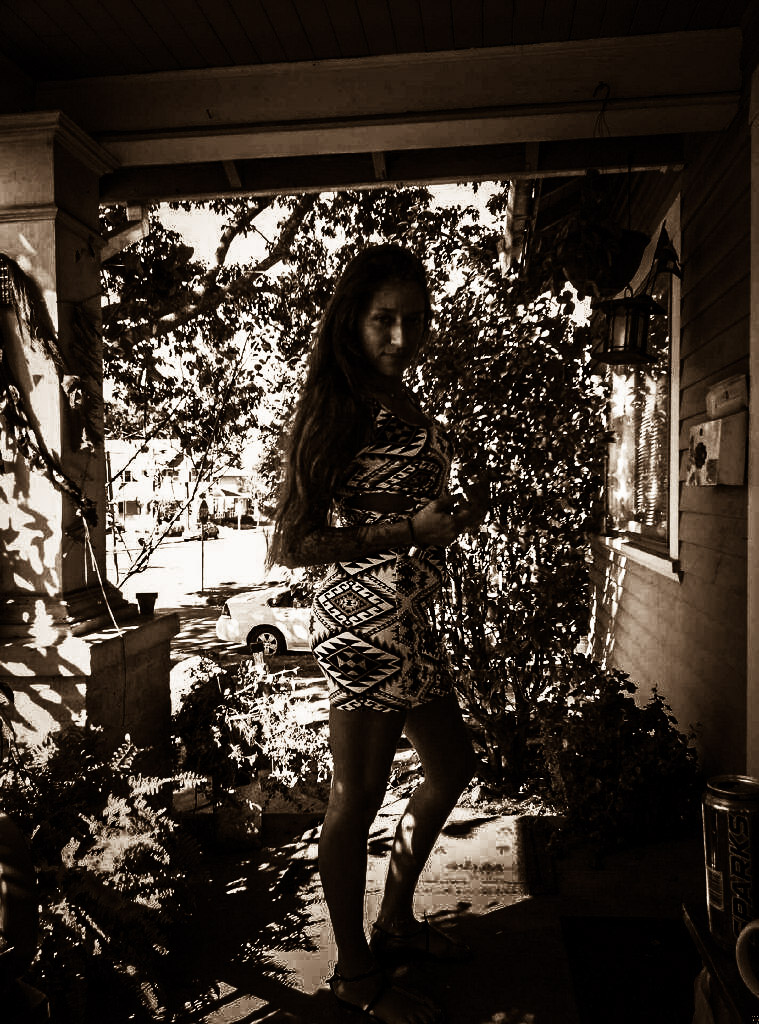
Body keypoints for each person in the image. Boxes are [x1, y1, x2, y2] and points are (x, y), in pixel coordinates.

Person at [268, 244, 482, 1024]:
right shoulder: (336, 403)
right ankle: (354, 974)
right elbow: (291, 543)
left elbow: (401, 504)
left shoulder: (397, 397)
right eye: (383, 319)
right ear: (351, 320)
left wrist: (443, 520)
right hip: (361, 622)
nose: (400, 336)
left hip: (409, 617)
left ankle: (394, 920)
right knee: (354, 797)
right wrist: (406, 530)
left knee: (451, 765)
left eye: (413, 320)